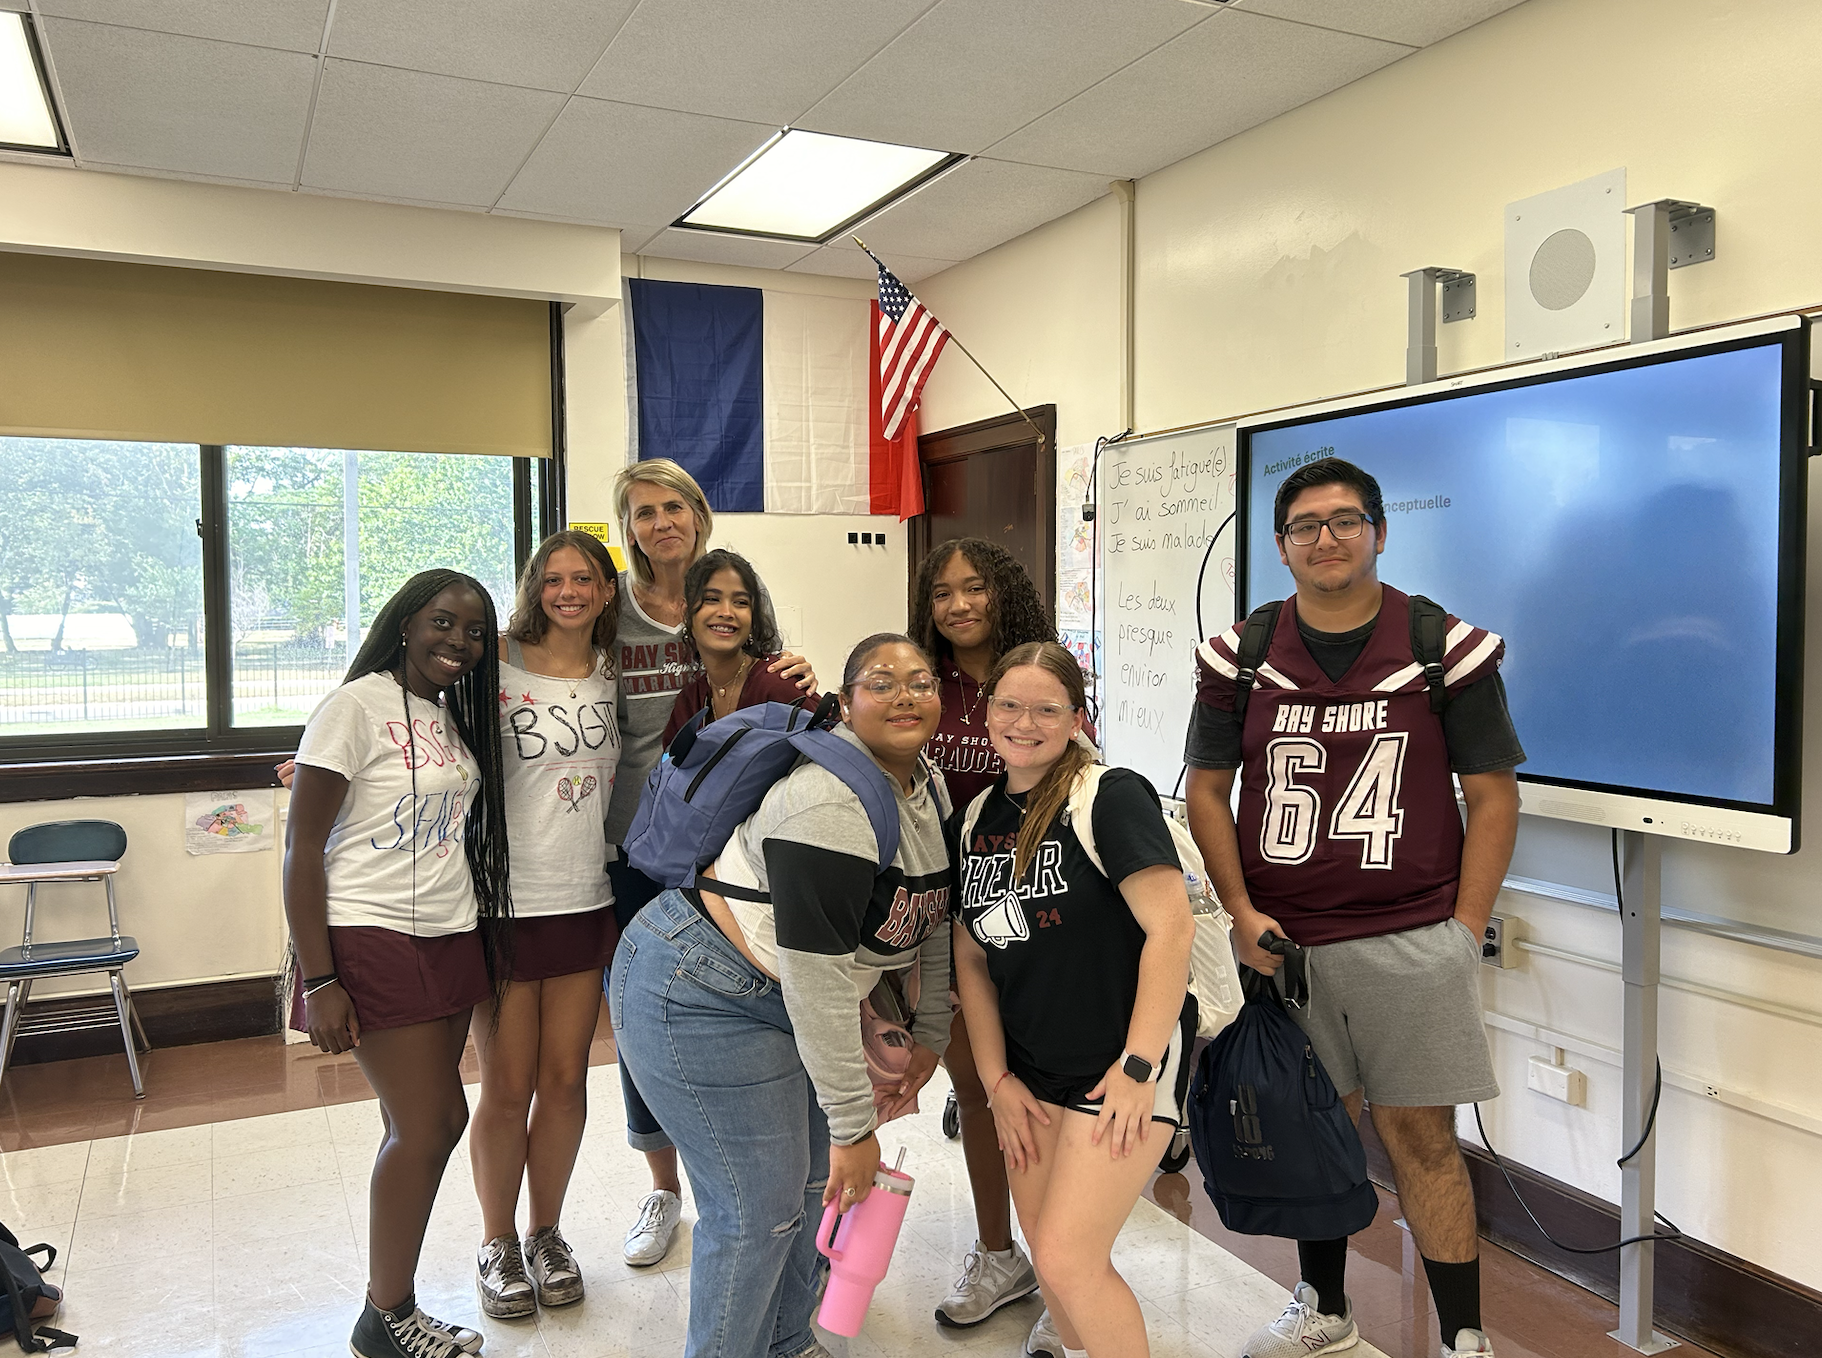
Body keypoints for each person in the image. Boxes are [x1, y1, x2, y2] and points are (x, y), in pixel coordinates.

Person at [1182, 457, 1524, 1358]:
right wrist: (1240, 910)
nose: (1325, 539)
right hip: (1288, 942)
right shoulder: (1243, 657)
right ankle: (1326, 1305)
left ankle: (1462, 1335)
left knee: (1424, 1139)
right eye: (1305, 526)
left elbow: (1492, 795)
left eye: (1344, 521)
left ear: (1379, 530)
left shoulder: (1440, 647)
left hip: (1411, 934)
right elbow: (1208, 793)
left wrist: (1461, 929)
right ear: (1283, 547)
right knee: (1311, 1131)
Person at [609, 634, 954, 1358]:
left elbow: (933, 911)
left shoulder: (926, 782)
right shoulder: (826, 802)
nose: (904, 696)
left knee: (812, 1191)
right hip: (699, 988)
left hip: (776, 995)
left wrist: (931, 1033)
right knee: (756, 1210)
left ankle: (789, 1344)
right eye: (880, 683)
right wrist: (855, 1128)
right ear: (847, 702)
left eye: (920, 681)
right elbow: (818, 978)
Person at [283, 570, 512, 1358]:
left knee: (407, 1126)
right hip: (372, 934)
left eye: (475, 632)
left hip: (451, 934)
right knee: (434, 1122)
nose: (459, 642)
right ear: (406, 622)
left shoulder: (447, 716)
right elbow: (301, 849)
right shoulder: (353, 708)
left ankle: (391, 1307)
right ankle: (386, 1315)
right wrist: (320, 979)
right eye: (444, 623)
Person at [953, 641, 1196, 1358]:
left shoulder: (1110, 795)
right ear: (985, 710)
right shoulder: (977, 819)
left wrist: (1139, 1067)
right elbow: (971, 956)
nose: (1025, 722)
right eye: (1009, 705)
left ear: (1075, 717)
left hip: (1119, 1064)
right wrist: (995, 1079)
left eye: (1046, 709)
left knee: (1066, 1259)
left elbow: (1171, 929)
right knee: (1052, 1255)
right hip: (1030, 1070)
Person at [603, 458, 815, 1267]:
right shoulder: (608, 611)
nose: (661, 523)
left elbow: (787, 716)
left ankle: (755, 1178)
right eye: (644, 512)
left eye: (674, 507)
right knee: (642, 1023)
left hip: (732, 864)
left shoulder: (735, 603)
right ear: (628, 528)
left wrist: (804, 675)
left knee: (745, 1015)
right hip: (639, 845)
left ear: (698, 515)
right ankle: (663, 1190)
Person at [908, 538, 1061, 1338]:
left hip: (1039, 915)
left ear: (1004, 593)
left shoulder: (1041, 677)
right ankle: (1000, 1254)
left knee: (1052, 1094)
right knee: (977, 1091)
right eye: (942, 593)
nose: (959, 604)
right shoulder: (920, 685)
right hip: (946, 919)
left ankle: (1066, 1269)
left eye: (974, 588)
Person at [470, 531, 623, 1319]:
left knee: (565, 1082)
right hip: (502, 904)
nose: (569, 590)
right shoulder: (493, 657)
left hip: (584, 896)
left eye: (584, 578)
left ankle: (547, 1233)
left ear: (604, 589)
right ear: (536, 587)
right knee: (506, 1085)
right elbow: (409, 712)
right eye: (554, 578)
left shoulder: (614, 666)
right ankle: (497, 1244)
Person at [659, 549, 818, 748]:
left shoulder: (778, 683)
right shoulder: (690, 702)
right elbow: (671, 773)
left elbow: (835, 756)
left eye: (740, 602)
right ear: (686, 611)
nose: (726, 612)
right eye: (712, 599)